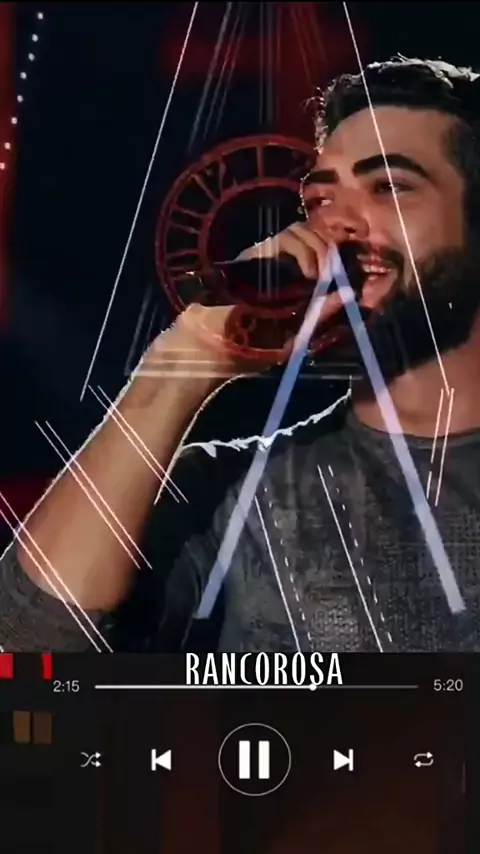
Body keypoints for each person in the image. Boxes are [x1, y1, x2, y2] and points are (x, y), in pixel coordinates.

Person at [1, 55, 480, 652]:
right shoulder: (233, 489)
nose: (336, 224)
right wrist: (187, 359)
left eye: (389, 187)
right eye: (319, 199)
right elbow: (26, 647)